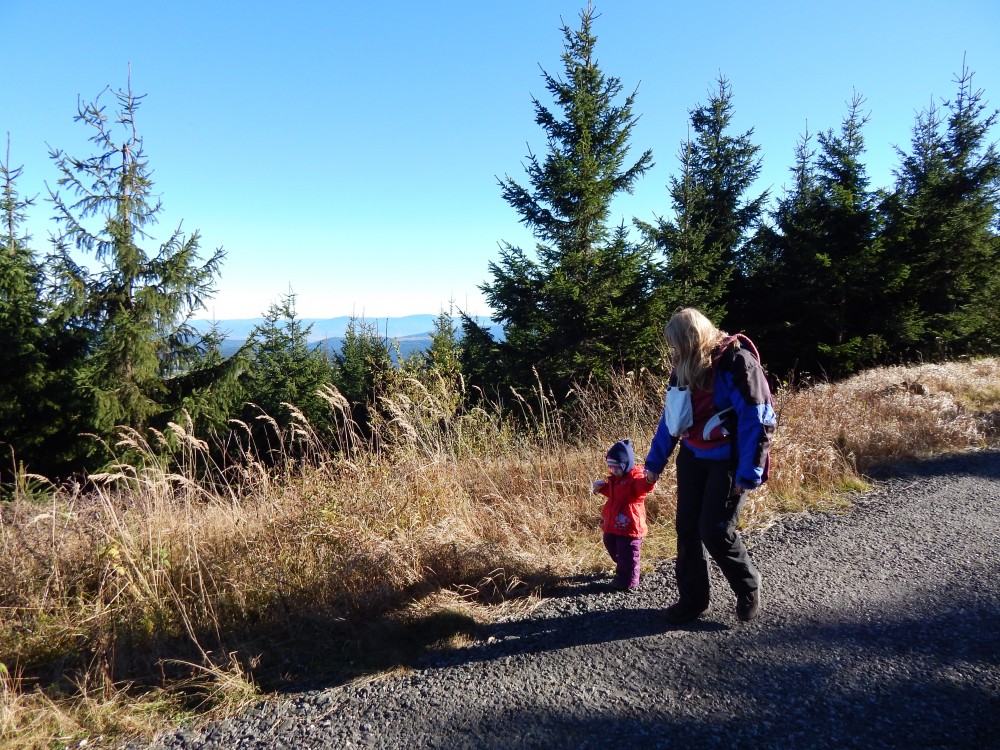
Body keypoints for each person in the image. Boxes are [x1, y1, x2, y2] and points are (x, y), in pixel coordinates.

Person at [643, 308, 776, 623]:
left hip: (729, 459)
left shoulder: (737, 363)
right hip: (693, 455)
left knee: (715, 530)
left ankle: (748, 586)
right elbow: (671, 420)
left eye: (679, 345)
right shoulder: (683, 367)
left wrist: (749, 472)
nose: (675, 353)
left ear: (694, 340)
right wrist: (654, 463)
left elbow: (757, 421)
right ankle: (693, 601)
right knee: (687, 529)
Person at [593, 439, 656, 591]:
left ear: (626, 465)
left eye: (617, 468)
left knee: (628, 550)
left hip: (630, 525)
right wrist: (601, 489)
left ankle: (628, 580)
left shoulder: (635, 479)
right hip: (614, 523)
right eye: (611, 467)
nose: (613, 471)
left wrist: (649, 480)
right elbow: (614, 494)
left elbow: (643, 486)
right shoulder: (615, 480)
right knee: (609, 541)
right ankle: (623, 564)